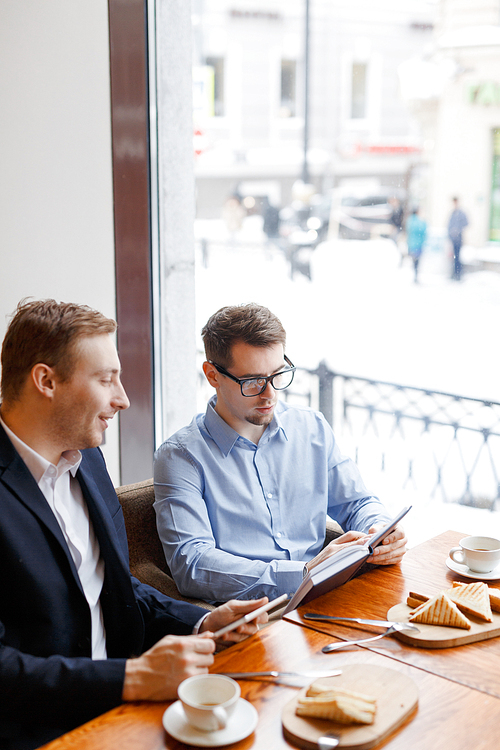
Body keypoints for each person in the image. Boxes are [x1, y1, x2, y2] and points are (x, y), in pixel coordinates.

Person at [0, 298, 268, 750]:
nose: (122, 399)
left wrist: (203, 623)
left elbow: (114, 589)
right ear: (46, 380)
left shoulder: (86, 460)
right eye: (106, 379)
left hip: (126, 712)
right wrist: (133, 677)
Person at [154, 304, 407, 605]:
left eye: (277, 375)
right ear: (212, 375)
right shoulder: (181, 458)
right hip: (255, 616)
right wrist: (303, 573)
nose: (270, 393)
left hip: (330, 595)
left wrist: (379, 530)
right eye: (252, 381)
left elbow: (357, 503)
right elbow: (192, 565)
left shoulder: (310, 427)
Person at [448, 197, 468, 281]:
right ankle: (454, 273)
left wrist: (458, 230)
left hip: (459, 239)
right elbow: (448, 225)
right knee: (453, 256)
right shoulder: (453, 213)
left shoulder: (461, 213)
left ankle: (458, 274)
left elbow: (466, 223)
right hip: (453, 239)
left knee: (458, 256)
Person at [406, 207, 427, 283]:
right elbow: (423, 230)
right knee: (417, 261)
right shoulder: (419, 221)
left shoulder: (409, 221)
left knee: (414, 260)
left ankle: (415, 274)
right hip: (418, 244)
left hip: (411, 244)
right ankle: (416, 275)